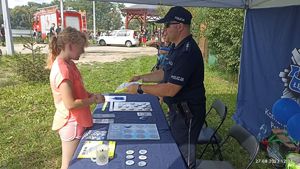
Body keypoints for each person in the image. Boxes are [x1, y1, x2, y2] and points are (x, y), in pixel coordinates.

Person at [126, 6, 206, 169]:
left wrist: (140, 88)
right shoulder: (177, 47)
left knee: (183, 159)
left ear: (179, 26)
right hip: (178, 111)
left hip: (188, 115)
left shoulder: (188, 52)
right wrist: (141, 77)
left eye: (167, 25)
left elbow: (170, 88)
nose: (164, 30)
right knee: (175, 150)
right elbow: (164, 73)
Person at [46, 27, 105, 169]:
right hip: (72, 124)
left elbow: (77, 92)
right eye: (81, 47)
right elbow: (70, 103)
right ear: (70, 45)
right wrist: (92, 100)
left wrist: (90, 95)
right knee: (69, 165)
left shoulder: (69, 64)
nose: (83, 51)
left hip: (78, 121)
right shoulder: (63, 70)